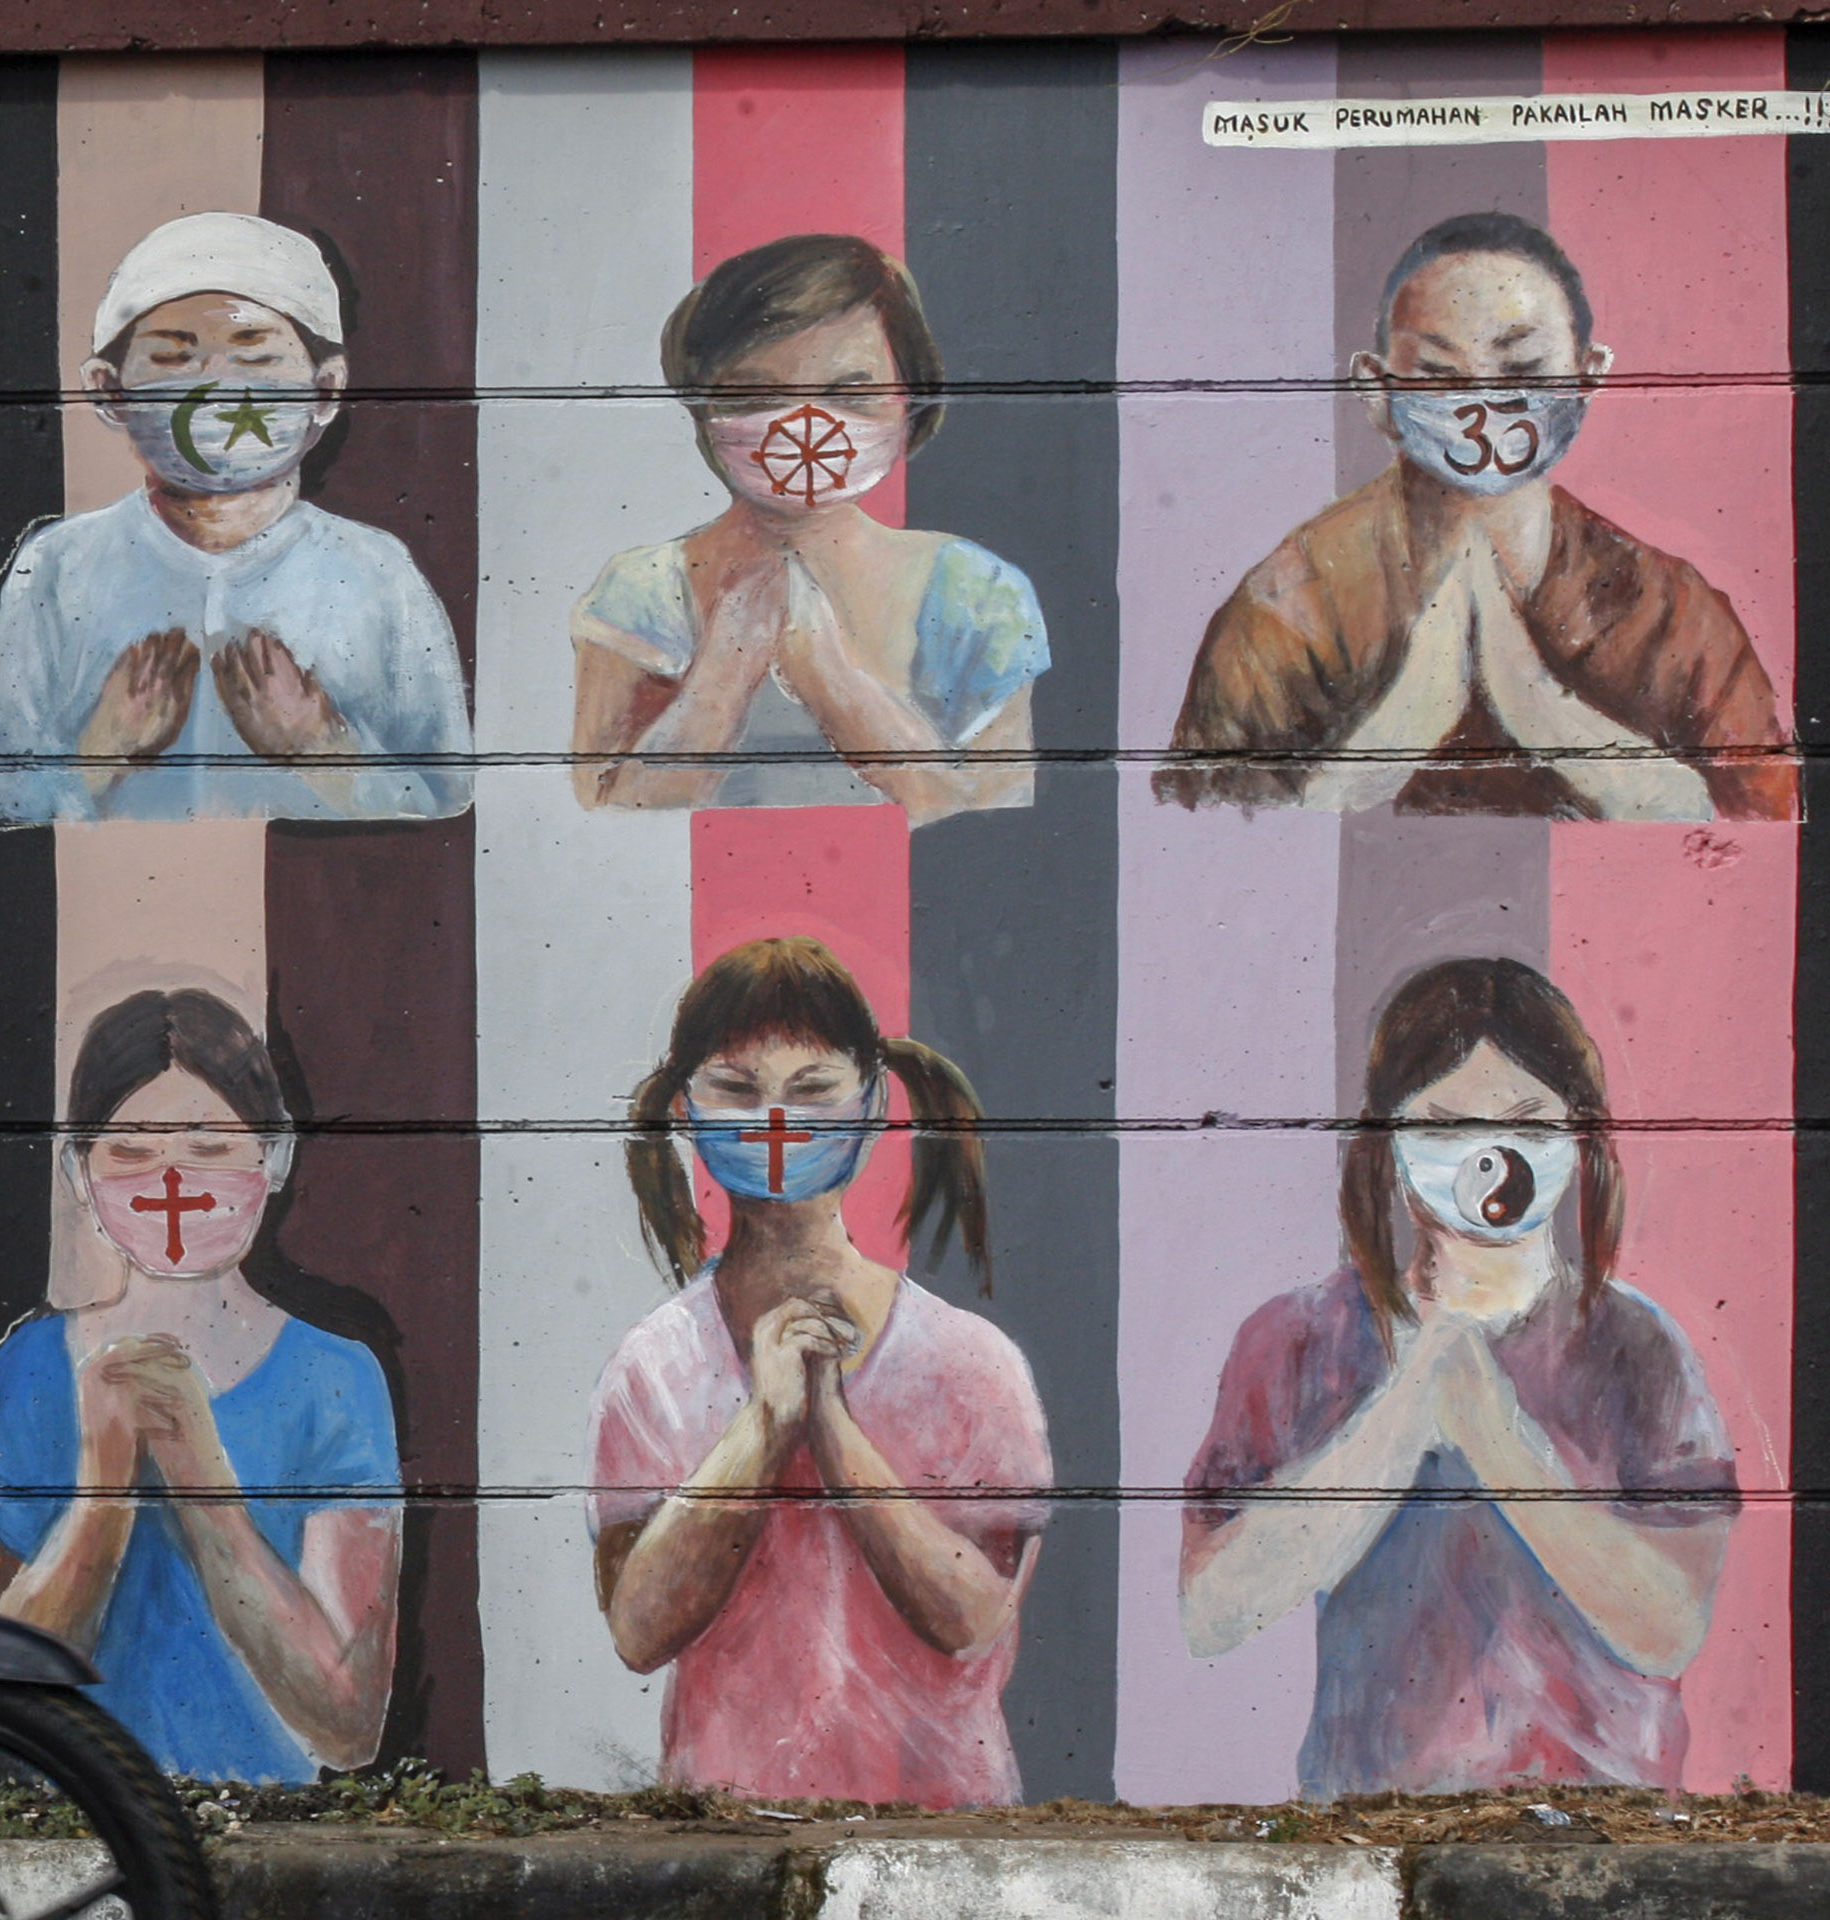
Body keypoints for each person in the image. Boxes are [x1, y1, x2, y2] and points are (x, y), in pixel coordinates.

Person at [1182, 957, 1736, 1794]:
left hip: (1607, 1824)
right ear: (1390, 1143)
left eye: (1527, 1124)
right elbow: (1212, 1612)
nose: (1489, 1156)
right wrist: (1409, 1403)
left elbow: (1668, 1628)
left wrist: (1493, 1432)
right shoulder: (1299, 1340)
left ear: (1577, 1135)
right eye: (1444, 1128)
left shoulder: (1640, 1349)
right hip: (1369, 1818)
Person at [588, 938, 1050, 1804]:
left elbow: (974, 1619)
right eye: (735, 1089)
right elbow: (638, 1632)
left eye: (811, 1090)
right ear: (685, 1108)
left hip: (943, 1829)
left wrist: (833, 1428)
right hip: (729, 1831)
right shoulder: (652, 1366)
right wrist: (762, 1427)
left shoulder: (970, 1362)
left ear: (873, 1105)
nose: (774, 1123)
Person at [1160, 211, 1792, 821]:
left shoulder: (1670, 610)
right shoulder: (1291, 606)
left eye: (1523, 368)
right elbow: (1208, 829)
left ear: (1587, 376)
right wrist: (1386, 742)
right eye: (1439, 373)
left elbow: (1768, 819)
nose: (1482, 402)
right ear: (1377, 389)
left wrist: (1551, 714)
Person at [0, 988, 400, 1784]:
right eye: (130, 1151)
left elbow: (348, 1724)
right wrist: (102, 1493)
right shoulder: (29, 1369)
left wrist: (200, 1478)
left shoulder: (335, 1377)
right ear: (79, 1170)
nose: (173, 1180)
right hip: (71, 1809)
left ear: (274, 1157)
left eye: (211, 1147)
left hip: (266, 1814)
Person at [0, 211, 473, 826]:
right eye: (172, 357)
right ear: (108, 390)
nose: (217, 387)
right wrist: (104, 751)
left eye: (256, 357)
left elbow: (446, 796)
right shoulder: (57, 564)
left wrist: (319, 748)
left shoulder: (376, 569)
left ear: (326, 388)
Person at [569, 233, 1047, 824]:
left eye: (851, 394)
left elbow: (998, 821)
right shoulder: (639, 591)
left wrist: (835, 683)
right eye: (756, 395)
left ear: (909, 402)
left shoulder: (979, 594)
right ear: (705, 408)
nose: (803, 427)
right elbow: (596, 814)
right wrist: (720, 679)